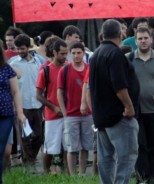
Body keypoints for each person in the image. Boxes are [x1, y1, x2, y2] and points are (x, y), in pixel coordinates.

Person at [89, 19, 140, 184]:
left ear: (103, 34)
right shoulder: (115, 54)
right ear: (120, 34)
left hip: (102, 115)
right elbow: (119, 86)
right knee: (126, 156)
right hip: (119, 115)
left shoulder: (96, 53)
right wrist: (129, 106)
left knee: (106, 158)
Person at [127, 27, 154, 183]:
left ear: (151, 39)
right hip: (136, 111)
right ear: (135, 40)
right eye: (140, 38)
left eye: (145, 38)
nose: (143, 41)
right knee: (140, 146)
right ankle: (143, 177)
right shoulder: (129, 58)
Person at [8, 34, 44, 166]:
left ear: (28, 48)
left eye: (22, 48)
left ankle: (32, 157)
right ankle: (28, 162)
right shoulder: (13, 64)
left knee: (39, 136)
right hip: (22, 106)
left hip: (37, 104)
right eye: (18, 49)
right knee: (24, 137)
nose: (20, 51)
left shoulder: (38, 62)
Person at [57, 41, 92, 176]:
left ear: (84, 53)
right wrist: (65, 113)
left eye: (79, 53)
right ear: (70, 55)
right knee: (72, 148)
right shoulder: (65, 70)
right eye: (73, 53)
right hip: (71, 114)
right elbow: (59, 92)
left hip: (88, 114)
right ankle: (72, 176)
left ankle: (82, 174)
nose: (76, 56)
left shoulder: (89, 68)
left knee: (86, 147)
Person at [35, 39, 68, 174]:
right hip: (52, 115)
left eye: (66, 53)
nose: (65, 56)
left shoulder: (68, 67)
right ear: (54, 52)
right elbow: (38, 95)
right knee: (50, 148)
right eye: (62, 53)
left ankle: (68, 173)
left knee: (68, 147)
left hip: (69, 113)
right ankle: (46, 172)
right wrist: (54, 108)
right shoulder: (46, 70)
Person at [0, 44, 26, 183]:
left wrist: (20, 113)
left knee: (5, 151)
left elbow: (15, 92)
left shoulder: (6, 68)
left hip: (6, 114)